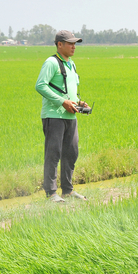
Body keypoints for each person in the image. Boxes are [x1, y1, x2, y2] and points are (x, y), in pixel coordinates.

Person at [35, 30, 89, 202]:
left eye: (75, 43)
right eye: (70, 43)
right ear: (60, 44)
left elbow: (70, 92)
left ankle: (67, 190)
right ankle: (51, 193)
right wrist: (62, 102)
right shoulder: (51, 62)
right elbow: (40, 86)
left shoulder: (71, 64)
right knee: (53, 153)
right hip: (54, 116)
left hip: (70, 117)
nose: (74, 46)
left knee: (71, 152)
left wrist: (79, 103)